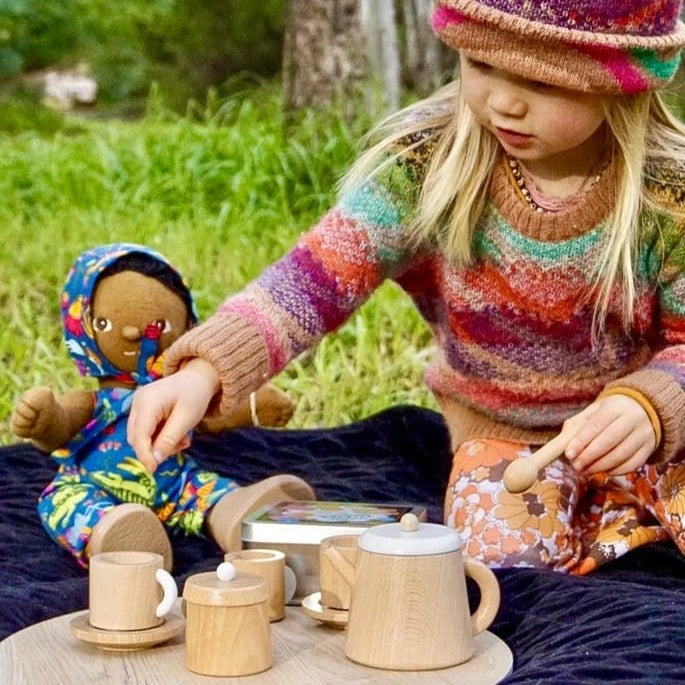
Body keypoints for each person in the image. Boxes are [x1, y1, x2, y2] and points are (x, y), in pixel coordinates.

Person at [128, 0, 685, 574]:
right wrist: (206, 371)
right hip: (507, 440)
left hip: (653, 434)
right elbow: (311, 282)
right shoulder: (426, 168)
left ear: (623, 81)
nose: (503, 102)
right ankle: (610, 522)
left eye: (542, 81)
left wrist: (653, 404)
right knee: (496, 568)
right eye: (481, 64)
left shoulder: (668, 200)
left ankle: (618, 511)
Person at [10, 243, 313, 569]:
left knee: (208, 489)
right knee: (64, 502)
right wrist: (44, 419)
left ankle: (240, 517)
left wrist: (252, 405)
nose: (133, 332)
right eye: (105, 325)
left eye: (161, 326)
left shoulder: (178, 389)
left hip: (174, 482)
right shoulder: (95, 403)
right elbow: (61, 426)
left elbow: (211, 413)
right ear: (83, 329)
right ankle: (113, 534)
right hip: (93, 483)